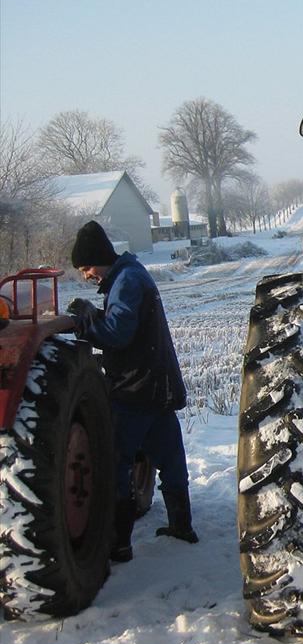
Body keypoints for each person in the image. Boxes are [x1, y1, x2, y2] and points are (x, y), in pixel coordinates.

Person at [67, 220, 198, 562]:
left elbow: (117, 334)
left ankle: (119, 544)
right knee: (170, 456)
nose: (86, 275)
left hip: (135, 390)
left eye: (86, 267)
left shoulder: (125, 283)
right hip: (158, 385)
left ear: (99, 259)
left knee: (118, 462)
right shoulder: (132, 273)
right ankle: (181, 525)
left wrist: (87, 318)